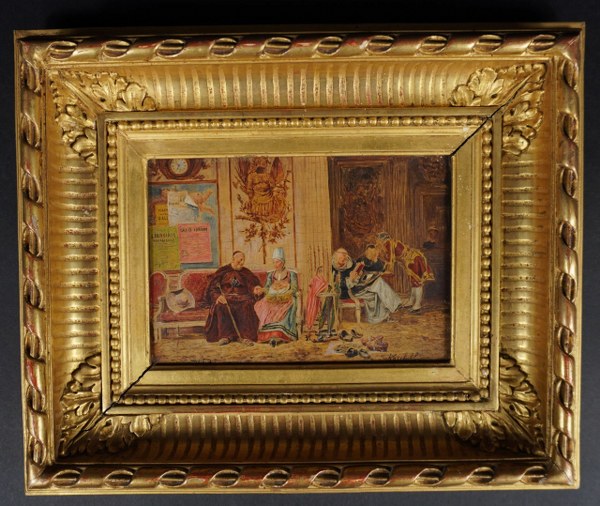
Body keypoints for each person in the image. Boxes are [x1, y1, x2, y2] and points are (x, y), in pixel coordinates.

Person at [202, 251, 262, 345]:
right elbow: (213, 289)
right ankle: (225, 336)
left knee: (248, 305)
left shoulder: (246, 272)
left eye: (243, 260)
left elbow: (252, 285)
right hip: (226, 298)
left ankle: (246, 337)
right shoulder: (223, 271)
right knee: (221, 305)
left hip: (243, 298)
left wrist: (255, 289)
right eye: (239, 260)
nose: (242, 263)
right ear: (233, 260)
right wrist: (218, 296)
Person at [376, 232, 435, 312]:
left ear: (381, 239)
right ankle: (411, 301)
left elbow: (390, 260)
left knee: (417, 282)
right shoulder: (389, 243)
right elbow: (389, 260)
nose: (377, 242)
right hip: (410, 260)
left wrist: (387, 271)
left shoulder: (388, 243)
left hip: (413, 259)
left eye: (378, 240)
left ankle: (417, 304)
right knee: (413, 282)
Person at [254, 248, 299, 345]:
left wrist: (285, 292)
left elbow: (294, 289)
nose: (275, 264)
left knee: (289, 304)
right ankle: (267, 335)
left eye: (277, 262)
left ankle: (280, 335)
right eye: (274, 262)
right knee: (264, 304)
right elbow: (267, 288)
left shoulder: (291, 274)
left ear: (282, 262)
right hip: (272, 297)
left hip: (286, 297)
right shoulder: (271, 274)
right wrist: (262, 290)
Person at [350, 244, 403, 323]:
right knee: (379, 282)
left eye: (373, 252)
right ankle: (395, 304)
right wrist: (359, 273)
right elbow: (354, 276)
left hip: (370, 285)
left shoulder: (377, 261)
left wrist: (376, 261)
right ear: (366, 252)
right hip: (360, 287)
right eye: (370, 252)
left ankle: (384, 315)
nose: (371, 254)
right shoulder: (361, 260)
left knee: (380, 289)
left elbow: (382, 271)